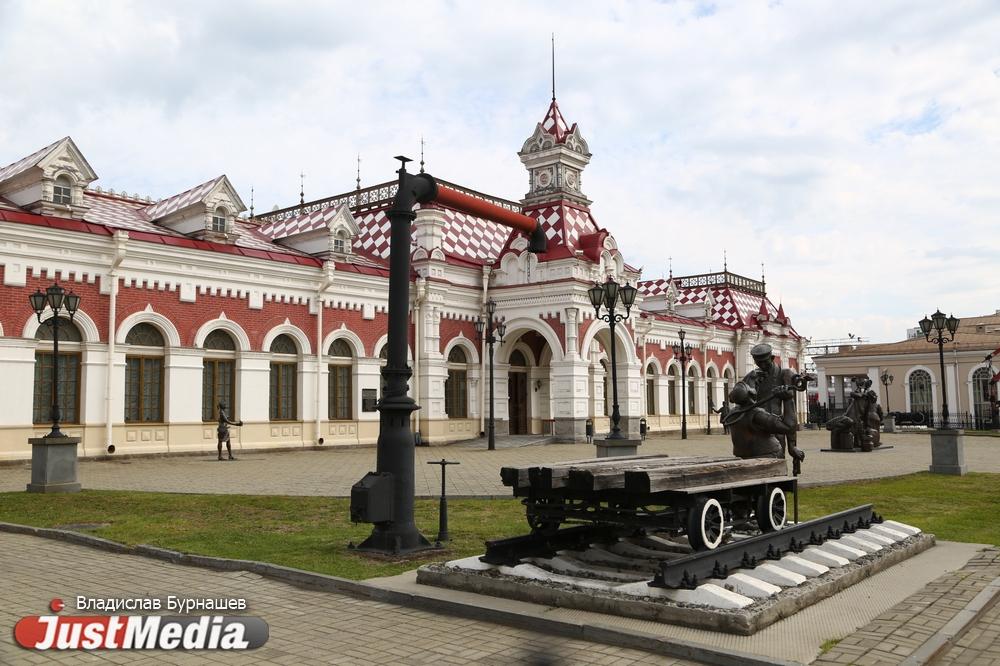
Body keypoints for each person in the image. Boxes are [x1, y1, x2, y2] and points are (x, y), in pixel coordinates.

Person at [741, 343, 806, 469]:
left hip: (777, 431)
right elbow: (739, 399)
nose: (762, 366)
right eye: (758, 363)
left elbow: (790, 411)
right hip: (755, 432)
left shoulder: (784, 374)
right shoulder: (752, 376)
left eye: (765, 362)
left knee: (777, 467)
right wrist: (751, 384)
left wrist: (792, 446)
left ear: (772, 358)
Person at [723, 382, 794, 458]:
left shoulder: (733, 413)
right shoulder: (757, 414)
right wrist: (788, 400)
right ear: (750, 394)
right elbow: (788, 427)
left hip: (743, 456)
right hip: (767, 455)